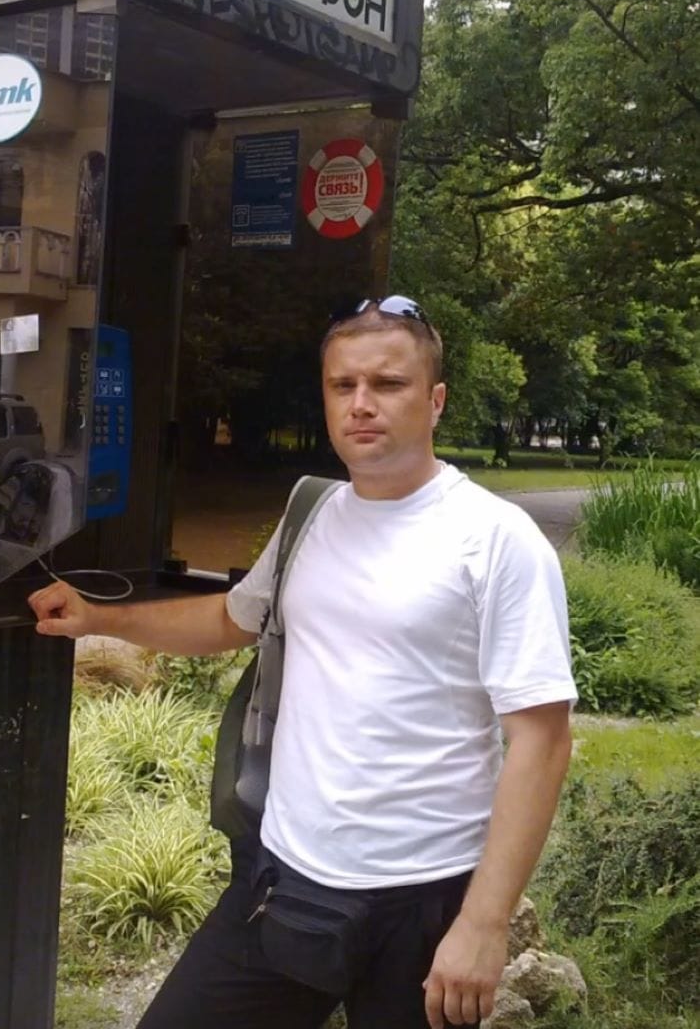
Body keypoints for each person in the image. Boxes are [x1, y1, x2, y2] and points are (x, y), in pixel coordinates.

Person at [29, 296, 577, 1029]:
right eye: (342, 385)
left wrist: (484, 923)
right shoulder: (311, 512)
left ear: (436, 399)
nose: (361, 403)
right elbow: (233, 619)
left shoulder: (498, 539)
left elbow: (542, 739)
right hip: (284, 878)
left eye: (388, 384)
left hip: (425, 901)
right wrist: (99, 618)